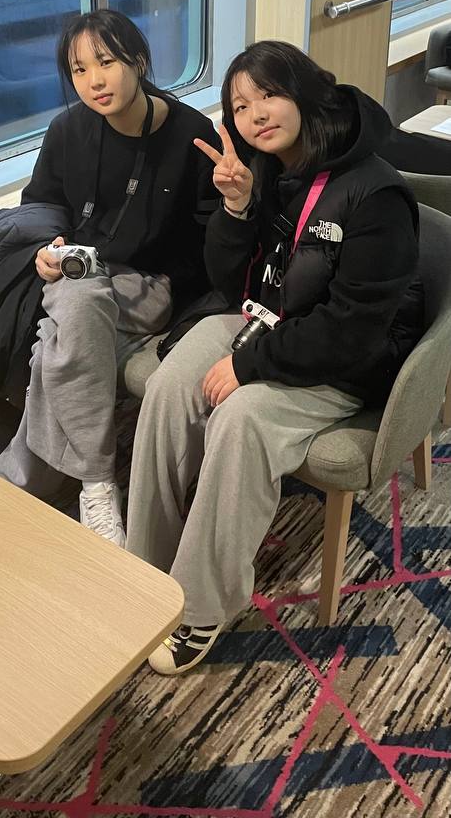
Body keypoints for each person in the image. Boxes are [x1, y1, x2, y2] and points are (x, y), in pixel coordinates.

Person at [126, 40, 424, 673]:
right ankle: (143, 565)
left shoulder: (376, 194)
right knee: (170, 383)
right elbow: (232, 282)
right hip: (268, 322)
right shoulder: (263, 169)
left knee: (242, 419)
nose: (255, 114)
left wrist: (248, 366)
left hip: (347, 359)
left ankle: (201, 603)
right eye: (240, 105)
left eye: (269, 94)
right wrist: (236, 209)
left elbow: (352, 330)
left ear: (307, 92)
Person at [0, 9, 219, 545]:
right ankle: (96, 483)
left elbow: (209, 244)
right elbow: (42, 205)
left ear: (138, 60)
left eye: (107, 62)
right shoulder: (68, 130)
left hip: (154, 286)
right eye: (79, 69)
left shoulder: (190, 135)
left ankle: (38, 473)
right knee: (73, 315)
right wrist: (47, 250)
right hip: (80, 280)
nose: (94, 80)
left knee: (61, 329)